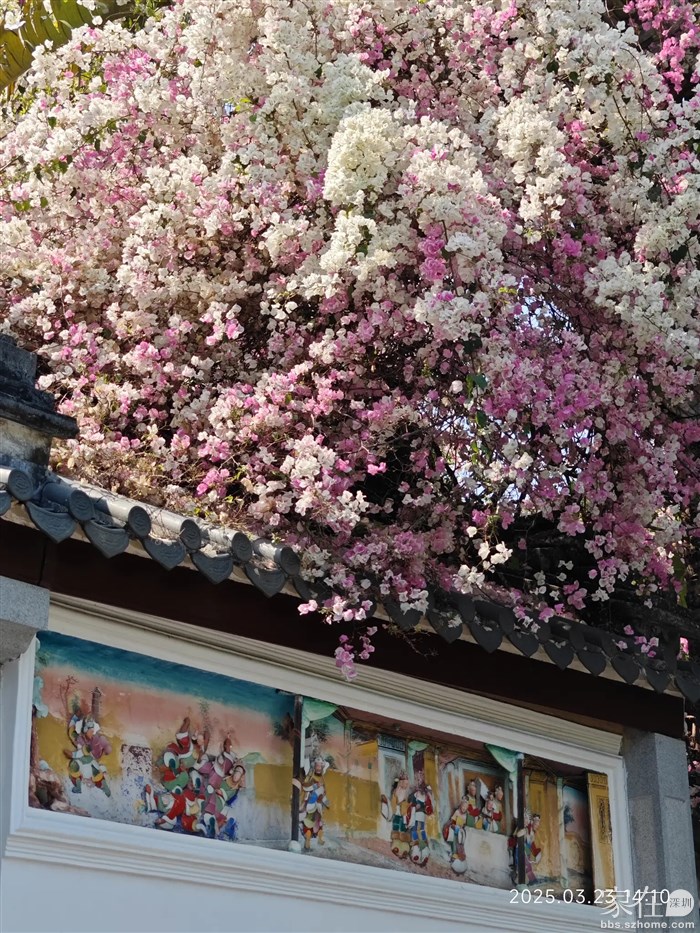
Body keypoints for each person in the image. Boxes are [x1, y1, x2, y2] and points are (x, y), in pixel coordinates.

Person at [64, 713, 112, 796]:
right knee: (79, 766)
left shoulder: (96, 739)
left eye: (92, 731)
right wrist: (75, 717)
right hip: (88, 764)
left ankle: (103, 787)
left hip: (91, 764)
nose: (91, 732)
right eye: (90, 731)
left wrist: (106, 749)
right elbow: (71, 732)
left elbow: (107, 748)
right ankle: (80, 786)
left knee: (79, 766)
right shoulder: (81, 739)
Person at [300, 757, 330, 850]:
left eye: (320, 766)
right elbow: (305, 787)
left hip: (318, 805)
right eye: (317, 766)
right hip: (310, 803)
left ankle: (319, 838)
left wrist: (326, 802)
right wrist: (315, 785)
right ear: (314, 766)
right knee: (309, 822)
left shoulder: (322, 779)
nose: (318, 768)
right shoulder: (310, 776)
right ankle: (307, 841)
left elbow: (323, 793)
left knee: (319, 822)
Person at [381, 770, 411, 859]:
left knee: (403, 828)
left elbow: (406, 803)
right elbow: (395, 802)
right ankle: (396, 846)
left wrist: (406, 805)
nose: (406, 785)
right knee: (396, 827)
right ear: (401, 783)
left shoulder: (405, 792)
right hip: (397, 812)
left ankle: (404, 847)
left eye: (407, 783)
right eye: (405, 783)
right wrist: (399, 804)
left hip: (403, 813)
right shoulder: (397, 791)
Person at [406, 769, 433, 865]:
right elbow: (410, 802)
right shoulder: (414, 794)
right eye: (417, 779)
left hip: (421, 816)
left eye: (420, 779)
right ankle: (415, 852)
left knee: (421, 832)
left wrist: (423, 806)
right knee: (414, 831)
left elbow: (429, 808)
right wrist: (414, 806)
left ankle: (424, 851)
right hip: (414, 816)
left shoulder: (425, 796)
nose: (418, 781)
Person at [443, 795, 469, 865]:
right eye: (463, 806)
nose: (464, 808)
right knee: (454, 836)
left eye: (465, 807)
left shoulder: (466, 815)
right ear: (461, 806)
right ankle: (453, 853)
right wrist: (451, 825)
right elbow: (452, 820)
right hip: (454, 827)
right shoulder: (457, 812)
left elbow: (464, 824)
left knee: (460, 838)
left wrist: (462, 827)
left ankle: (458, 853)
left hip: (460, 829)